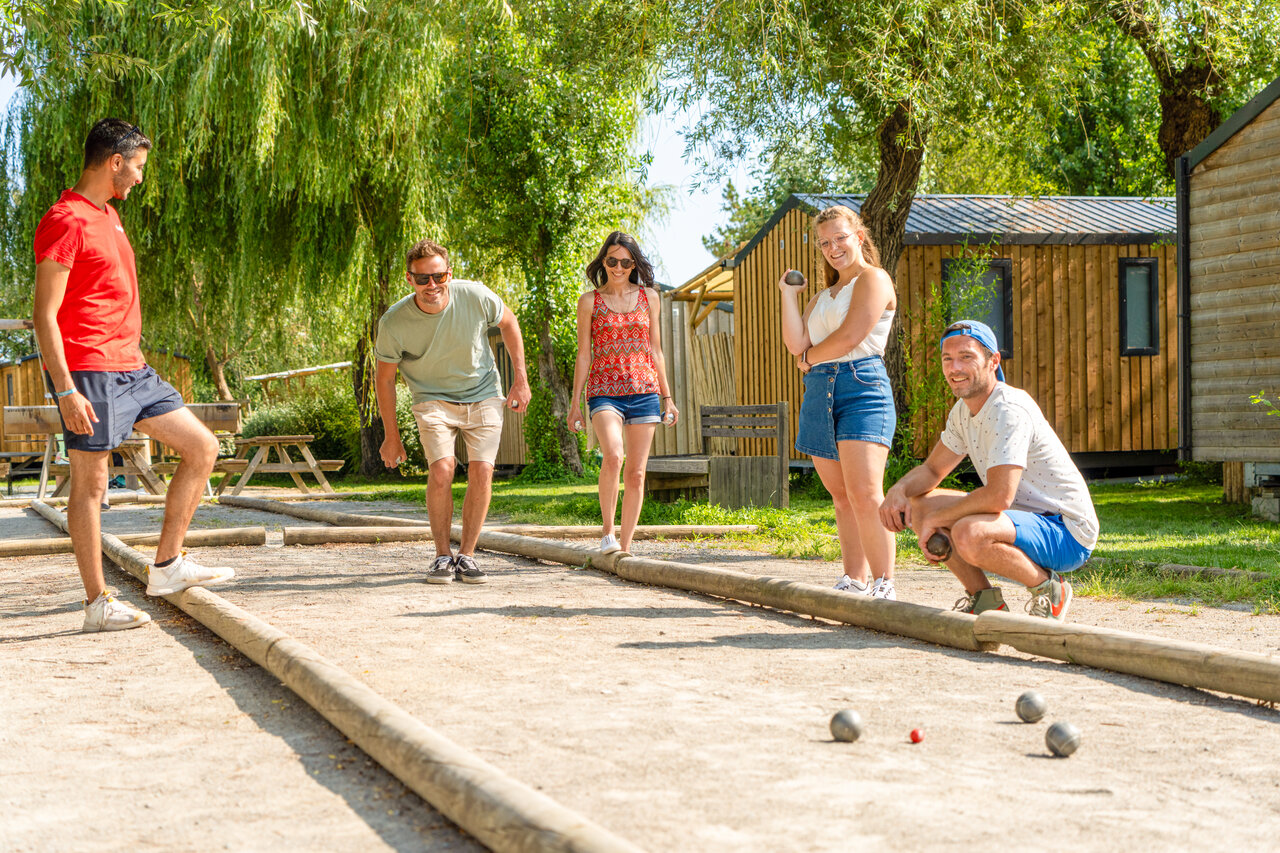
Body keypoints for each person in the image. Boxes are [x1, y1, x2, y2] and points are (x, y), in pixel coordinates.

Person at [32, 119, 234, 633]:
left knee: (203, 447)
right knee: (91, 485)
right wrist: (66, 389)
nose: (141, 178)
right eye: (138, 167)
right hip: (90, 369)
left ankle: (166, 567)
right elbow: (44, 315)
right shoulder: (65, 219)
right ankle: (97, 604)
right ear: (115, 162)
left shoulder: (109, 217)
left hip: (133, 367)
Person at [879, 320, 1098, 620]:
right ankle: (985, 600)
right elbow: (932, 470)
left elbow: (998, 497)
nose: (955, 367)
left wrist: (938, 520)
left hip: (1066, 531)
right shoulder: (964, 410)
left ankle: (1050, 590)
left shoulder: (1009, 409)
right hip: (1020, 519)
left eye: (967, 357)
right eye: (948, 359)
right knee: (918, 507)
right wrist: (898, 491)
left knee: (970, 533)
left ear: (993, 361)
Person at [375, 239, 531, 584]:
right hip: (432, 398)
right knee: (443, 470)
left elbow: (509, 322)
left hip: (484, 393)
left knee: (482, 471)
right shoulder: (394, 321)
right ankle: (442, 556)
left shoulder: (475, 296)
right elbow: (384, 380)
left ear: (449, 272)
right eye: (422, 279)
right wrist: (391, 436)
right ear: (409, 279)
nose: (432, 286)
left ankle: (468, 557)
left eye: (439, 277)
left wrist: (520, 380)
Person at [779, 206, 898, 599]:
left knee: (865, 492)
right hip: (819, 390)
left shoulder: (873, 280)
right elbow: (796, 344)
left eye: (840, 238)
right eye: (825, 242)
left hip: (861, 385)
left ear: (859, 236)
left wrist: (811, 359)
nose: (833, 248)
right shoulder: (822, 296)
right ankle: (854, 579)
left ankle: (885, 583)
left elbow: (850, 337)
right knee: (842, 496)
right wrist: (788, 295)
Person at [566, 232, 678, 554]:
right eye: (612, 261)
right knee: (613, 455)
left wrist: (667, 397)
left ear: (634, 264)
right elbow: (583, 354)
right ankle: (607, 533)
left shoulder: (650, 298)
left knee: (637, 472)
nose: (618, 267)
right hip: (604, 392)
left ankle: (626, 549)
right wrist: (576, 404)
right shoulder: (589, 301)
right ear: (604, 261)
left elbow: (656, 350)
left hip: (644, 390)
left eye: (625, 262)